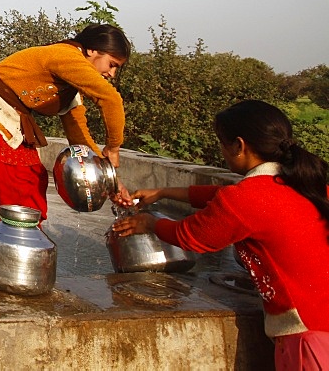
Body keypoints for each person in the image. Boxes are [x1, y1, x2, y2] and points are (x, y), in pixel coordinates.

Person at [113, 100, 329, 369]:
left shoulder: (248, 198)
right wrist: (162, 192)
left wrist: (149, 223)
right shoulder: (304, 183)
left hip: (308, 336)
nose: (221, 151)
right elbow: (220, 197)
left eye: (221, 142)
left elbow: (193, 236)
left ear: (239, 145)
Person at [0, 24, 131, 227]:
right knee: (14, 187)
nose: (112, 73)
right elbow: (111, 99)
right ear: (92, 50)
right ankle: (10, 242)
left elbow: (78, 134)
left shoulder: (71, 80)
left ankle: (21, 243)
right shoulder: (65, 56)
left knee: (31, 180)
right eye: (111, 64)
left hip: (8, 119)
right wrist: (113, 147)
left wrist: (111, 181)